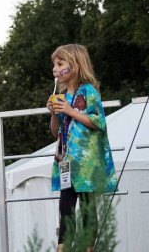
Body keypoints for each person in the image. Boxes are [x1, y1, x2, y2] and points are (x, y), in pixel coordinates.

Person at [46, 44, 117, 252]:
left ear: (75, 67)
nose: (55, 69)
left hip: (87, 163)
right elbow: (55, 132)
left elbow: (98, 122)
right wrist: (53, 113)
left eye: (60, 64)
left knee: (87, 207)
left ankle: (87, 247)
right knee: (65, 207)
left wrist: (70, 110)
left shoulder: (88, 91)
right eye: (54, 64)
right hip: (67, 162)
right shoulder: (61, 96)